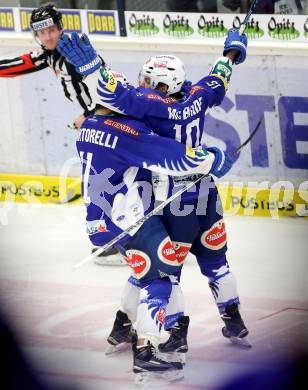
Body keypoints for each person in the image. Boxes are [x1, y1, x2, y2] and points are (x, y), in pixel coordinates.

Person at [57, 32, 235, 383]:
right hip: (128, 218)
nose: (141, 93)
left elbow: (111, 107)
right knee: (163, 271)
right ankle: (148, 350)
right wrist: (212, 157)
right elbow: (177, 159)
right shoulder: (128, 132)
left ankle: (122, 327)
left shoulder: (87, 126)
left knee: (142, 270)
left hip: (99, 222)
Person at [0, 4, 119, 265]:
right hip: (95, 124)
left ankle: (119, 241)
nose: (47, 37)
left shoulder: (75, 51)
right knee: (106, 182)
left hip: (108, 121)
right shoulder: (48, 53)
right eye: (41, 33)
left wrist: (88, 115)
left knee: (106, 183)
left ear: (60, 27)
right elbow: (16, 64)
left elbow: (109, 88)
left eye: (51, 30)